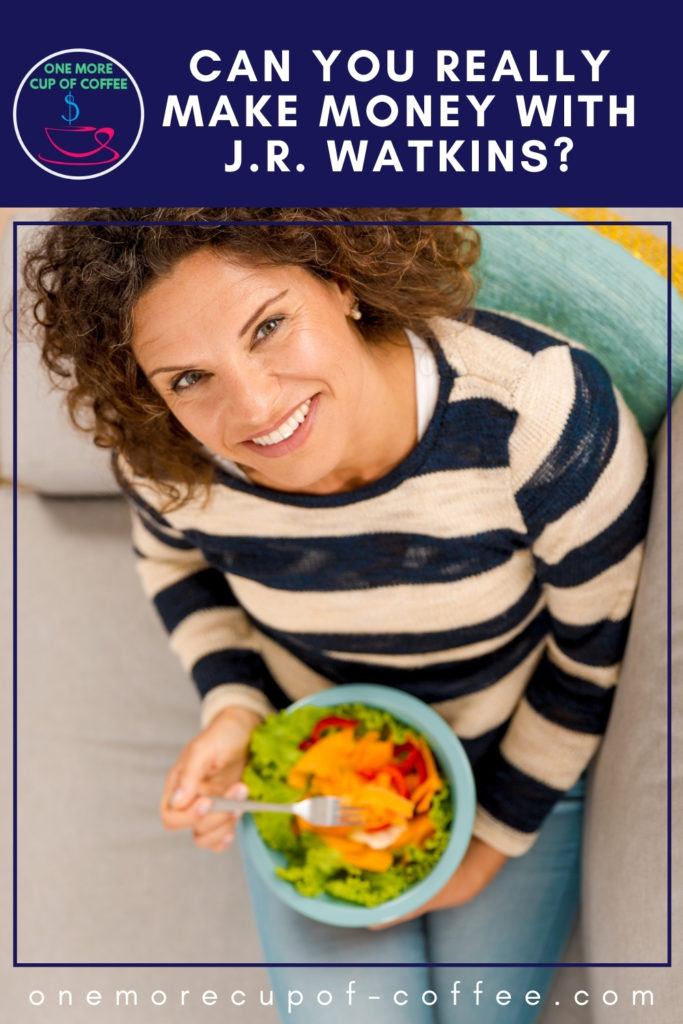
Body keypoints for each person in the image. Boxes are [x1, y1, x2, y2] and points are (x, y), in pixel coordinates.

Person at [24, 207, 652, 1023]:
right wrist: (235, 706)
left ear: (338, 278)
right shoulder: (164, 461)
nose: (253, 409)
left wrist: (491, 840)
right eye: (187, 378)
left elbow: (591, 651)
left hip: (509, 757)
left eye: (269, 326)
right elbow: (176, 565)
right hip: (306, 774)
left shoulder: (540, 412)